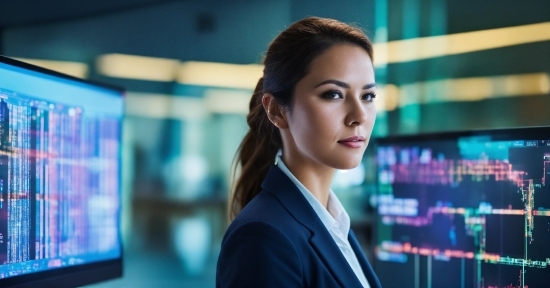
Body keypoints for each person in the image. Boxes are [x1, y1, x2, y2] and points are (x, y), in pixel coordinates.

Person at [216, 16, 382, 288]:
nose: (359, 116)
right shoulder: (263, 237)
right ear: (276, 110)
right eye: (334, 94)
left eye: (368, 96)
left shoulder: (333, 225)